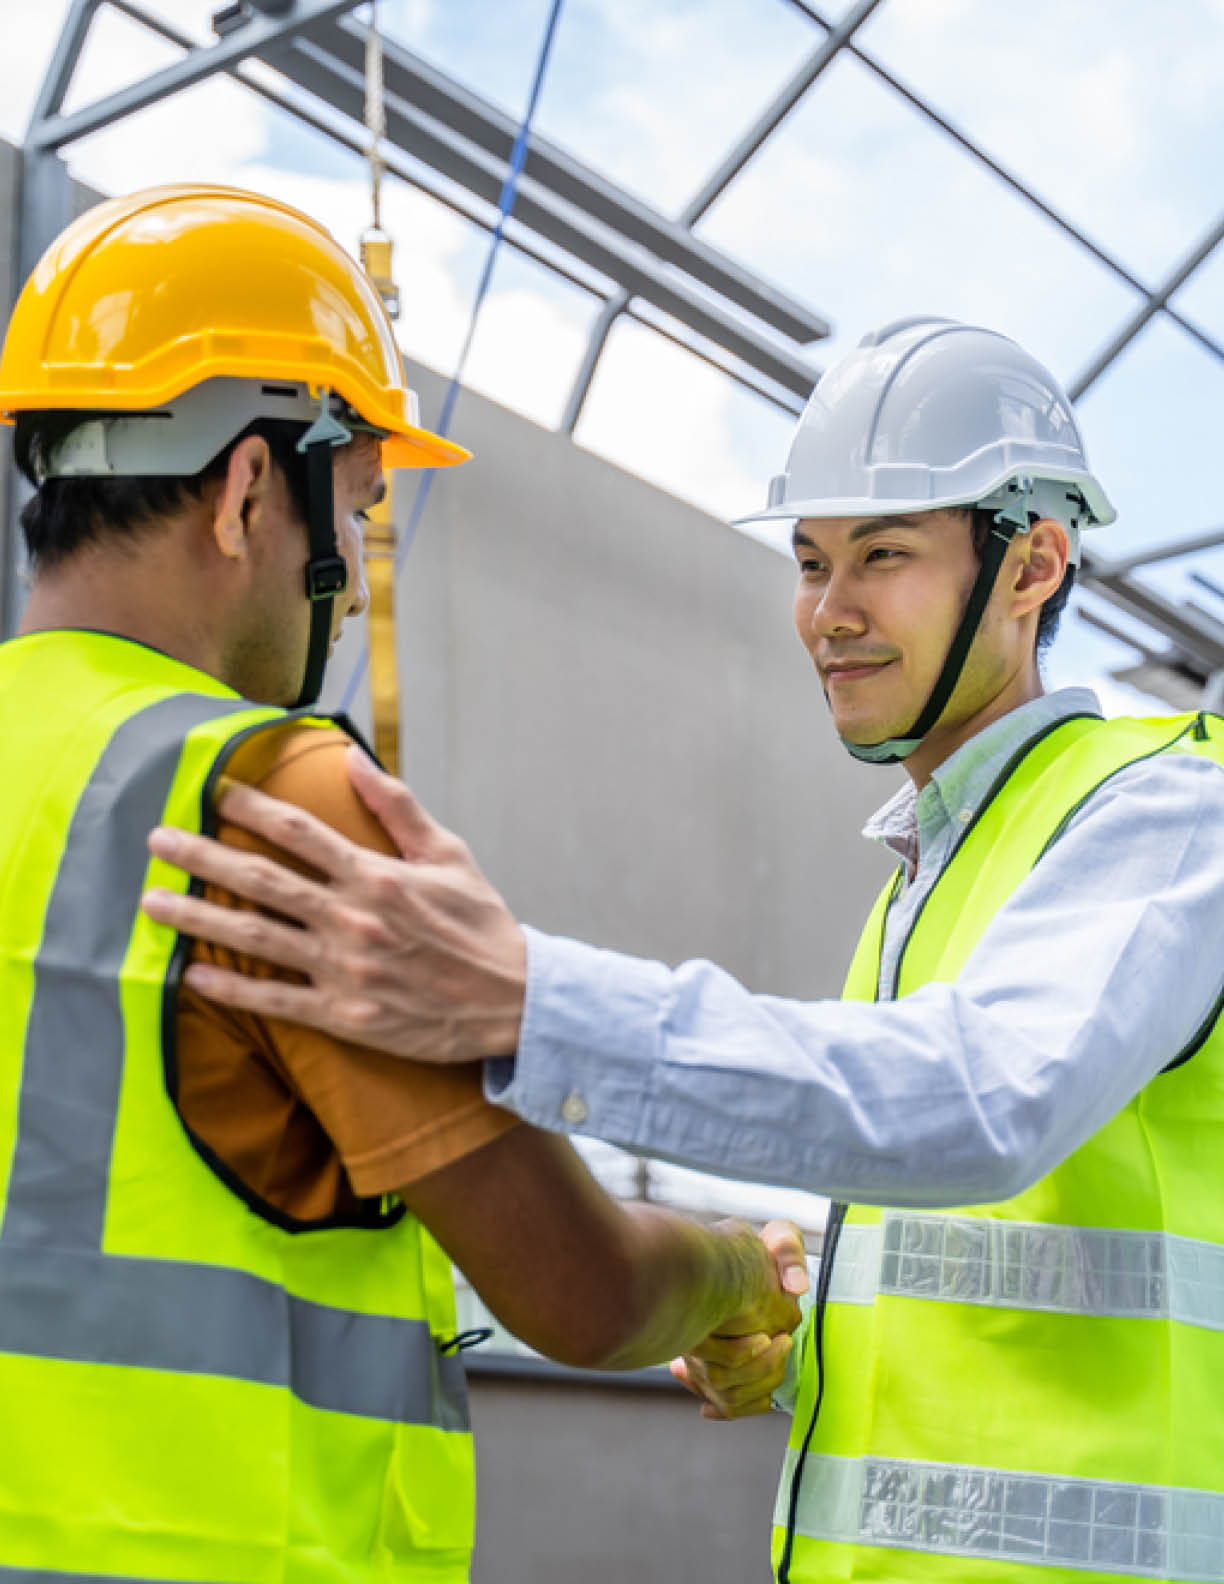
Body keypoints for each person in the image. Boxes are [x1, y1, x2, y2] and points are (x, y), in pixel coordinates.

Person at [143, 317, 1224, 1584]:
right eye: (812, 561)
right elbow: (1008, 1298)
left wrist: (525, 999)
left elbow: (981, 1103)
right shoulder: (926, 881)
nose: (830, 612)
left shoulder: (1167, 809)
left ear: (1032, 565)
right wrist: (801, 1340)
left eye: (884, 556)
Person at [0, 183, 806, 1583]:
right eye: (358, 517)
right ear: (253, 489)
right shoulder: (269, 805)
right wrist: (742, 1270)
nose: (358, 589)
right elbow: (584, 1290)